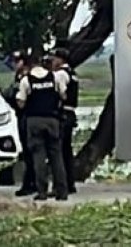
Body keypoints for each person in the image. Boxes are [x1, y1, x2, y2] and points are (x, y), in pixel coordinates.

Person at [16, 54, 68, 201]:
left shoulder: (26, 80)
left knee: (38, 156)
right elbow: (63, 95)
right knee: (56, 156)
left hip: (34, 121)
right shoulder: (55, 77)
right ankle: (62, 191)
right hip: (52, 120)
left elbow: (21, 102)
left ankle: (42, 192)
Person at [3, 51, 36, 197]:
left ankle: (30, 183)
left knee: (30, 152)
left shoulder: (27, 79)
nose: (14, 65)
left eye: (16, 62)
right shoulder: (18, 78)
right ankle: (30, 182)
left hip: (27, 117)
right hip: (21, 116)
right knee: (27, 152)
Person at [51, 48, 79, 195]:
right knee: (67, 151)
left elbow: (59, 94)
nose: (53, 62)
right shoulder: (73, 74)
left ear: (61, 59)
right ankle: (70, 183)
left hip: (62, 115)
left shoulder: (61, 74)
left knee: (58, 152)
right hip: (71, 113)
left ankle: (59, 185)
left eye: (55, 59)